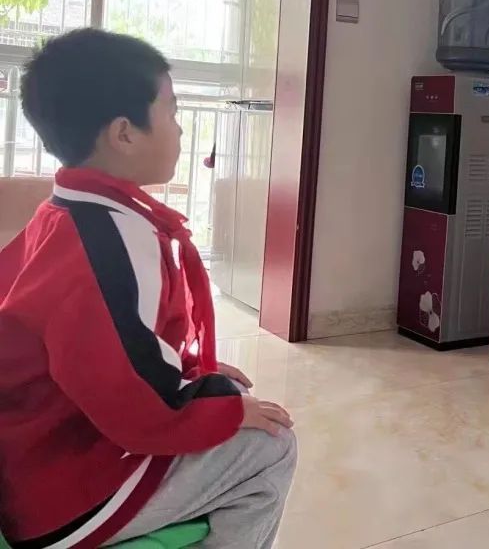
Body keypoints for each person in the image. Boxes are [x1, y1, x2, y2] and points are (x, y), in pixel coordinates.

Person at [0, 30, 296, 549]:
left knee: (233, 397)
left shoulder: (66, 211)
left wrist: (192, 372)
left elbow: (113, 344)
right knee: (272, 444)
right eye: (172, 111)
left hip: (37, 448)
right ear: (124, 133)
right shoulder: (109, 240)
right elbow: (125, 396)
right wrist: (215, 409)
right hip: (61, 488)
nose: (180, 129)